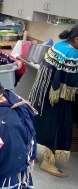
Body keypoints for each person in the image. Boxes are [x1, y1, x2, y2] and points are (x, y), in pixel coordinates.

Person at [28, 25, 78, 178]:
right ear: (77, 39)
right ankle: (49, 162)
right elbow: (72, 80)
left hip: (42, 94)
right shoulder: (72, 53)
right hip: (56, 97)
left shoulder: (60, 45)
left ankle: (31, 154)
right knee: (59, 127)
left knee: (39, 122)